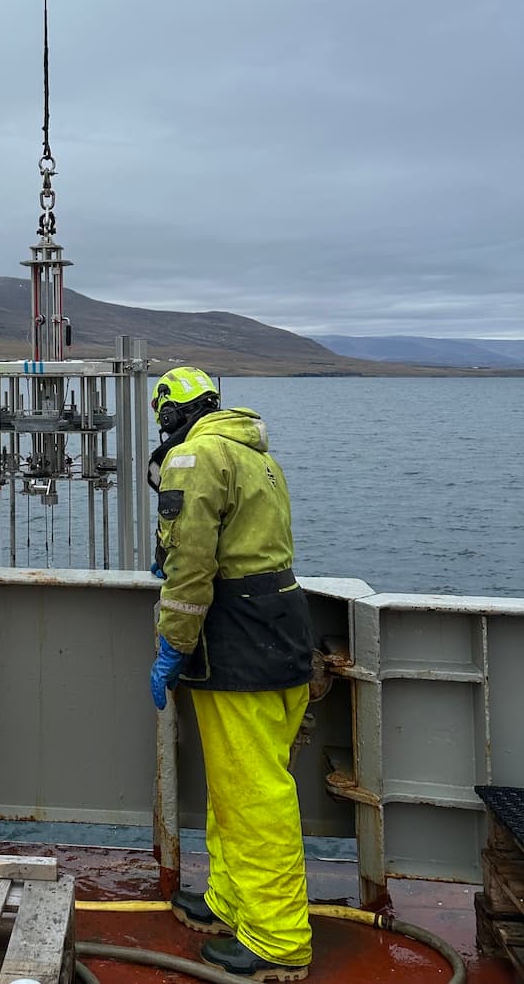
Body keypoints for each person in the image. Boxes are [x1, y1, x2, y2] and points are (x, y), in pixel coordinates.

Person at [147, 366, 314, 982]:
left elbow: (189, 566)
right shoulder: (253, 453)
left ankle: (278, 938)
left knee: (252, 794)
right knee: (233, 781)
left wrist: (173, 642)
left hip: (236, 640)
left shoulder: (195, 456)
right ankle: (231, 900)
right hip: (280, 626)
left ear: (170, 412)